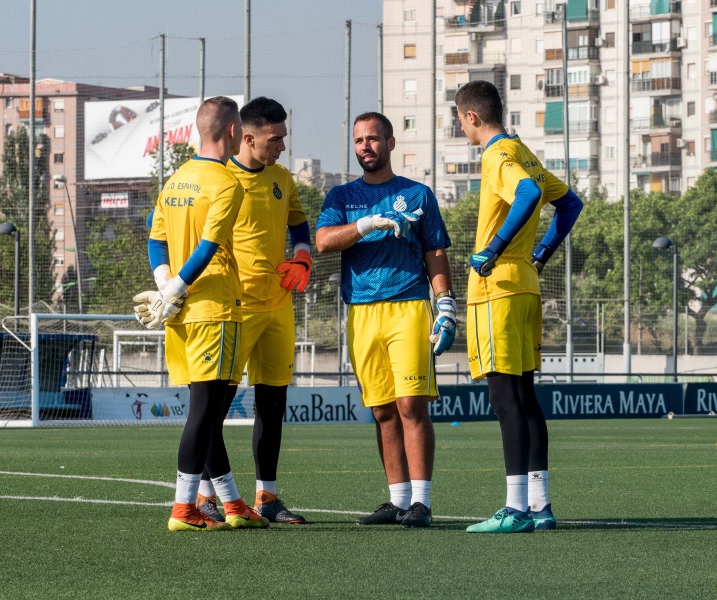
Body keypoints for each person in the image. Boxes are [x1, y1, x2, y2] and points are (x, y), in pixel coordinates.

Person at [133, 96, 269, 532]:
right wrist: (174, 288)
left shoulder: (175, 180)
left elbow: (155, 241)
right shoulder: (227, 183)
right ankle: (183, 509)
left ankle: (231, 504)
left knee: (205, 412)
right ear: (232, 131)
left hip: (179, 314)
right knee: (205, 413)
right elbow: (209, 247)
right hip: (213, 308)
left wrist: (165, 288)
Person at [315, 112, 457, 528]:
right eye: (359, 140)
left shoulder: (417, 194)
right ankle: (397, 502)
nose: (365, 147)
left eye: (373, 139)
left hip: (408, 306)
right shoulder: (340, 196)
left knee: (411, 405)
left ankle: (422, 503)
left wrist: (445, 301)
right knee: (381, 411)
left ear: (391, 143)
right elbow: (323, 241)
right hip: (360, 311)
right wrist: (364, 224)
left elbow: (435, 251)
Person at [453, 80, 583, 533]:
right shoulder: (524, 149)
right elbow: (569, 203)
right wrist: (543, 253)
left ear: (470, 117)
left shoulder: (496, 155)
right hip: (526, 285)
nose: (461, 127)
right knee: (526, 398)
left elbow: (527, 195)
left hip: (497, 289)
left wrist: (494, 248)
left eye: (459, 119)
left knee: (504, 397)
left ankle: (514, 509)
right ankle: (540, 505)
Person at [193, 97, 311, 525]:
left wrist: (302, 256)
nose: (281, 146)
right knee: (213, 409)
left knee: (272, 405)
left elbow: (298, 221)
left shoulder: (282, 177)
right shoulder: (218, 179)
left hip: (279, 306)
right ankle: (206, 497)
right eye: (274, 139)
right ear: (247, 137)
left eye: (283, 138)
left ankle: (268, 497)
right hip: (233, 308)